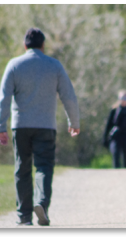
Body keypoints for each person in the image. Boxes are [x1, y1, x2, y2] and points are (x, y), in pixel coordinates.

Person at [0, 28, 80, 226]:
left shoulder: (14, 65)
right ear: (43, 45)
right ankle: (42, 203)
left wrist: (1, 125)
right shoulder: (54, 66)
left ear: (24, 45)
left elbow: (4, 99)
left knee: (22, 169)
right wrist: (74, 122)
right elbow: (68, 95)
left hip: (21, 126)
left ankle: (24, 217)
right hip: (46, 126)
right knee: (44, 166)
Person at [103, 90, 126, 169]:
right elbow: (108, 125)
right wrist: (105, 138)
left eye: (125, 98)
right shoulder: (114, 111)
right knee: (115, 155)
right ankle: (116, 175)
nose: (123, 100)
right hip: (116, 136)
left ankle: (125, 177)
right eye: (121, 98)